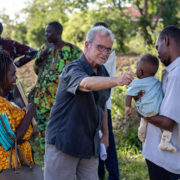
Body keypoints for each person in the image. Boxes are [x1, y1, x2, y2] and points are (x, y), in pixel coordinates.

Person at [44, 26, 135, 180]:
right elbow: (86, 84)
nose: (105, 53)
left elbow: (103, 104)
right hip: (64, 142)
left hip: (90, 146)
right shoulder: (72, 69)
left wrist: (106, 135)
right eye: (100, 47)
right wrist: (118, 80)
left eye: (108, 49)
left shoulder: (103, 72)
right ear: (87, 45)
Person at [32, 21, 82, 153]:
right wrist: (41, 57)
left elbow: (82, 71)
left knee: (60, 133)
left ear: (58, 33)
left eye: (49, 32)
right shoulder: (44, 47)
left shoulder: (72, 50)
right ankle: (46, 159)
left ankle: (60, 159)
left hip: (61, 101)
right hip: (42, 101)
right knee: (43, 133)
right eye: (45, 32)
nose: (46, 34)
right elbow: (36, 70)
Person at [138, 26, 180, 179]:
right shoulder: (172, 72)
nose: (157, 52)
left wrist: (141, 111)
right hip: (161, 156)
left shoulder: (176, 75)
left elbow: (168, 123)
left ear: (167, 40)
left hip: (164, 160)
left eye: (158, 47)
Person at [125, 54, 176, 153]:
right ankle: (164, 142)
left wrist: (127, 106)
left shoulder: (136, 83)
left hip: (143, 110)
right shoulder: (157, 82)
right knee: (169, 126)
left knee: (144, 113)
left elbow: (129, 93)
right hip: (157, 111)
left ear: (140, 72)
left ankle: (142, 127)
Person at [0, 51, 35, 171]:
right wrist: (29, 114)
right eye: (13, 74)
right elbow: (10, 140)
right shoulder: (1, 104)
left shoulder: (4, 102)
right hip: (9, 166)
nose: (16, 78)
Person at [93, 22, 119, 180]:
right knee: (97, 140)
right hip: (94, 104)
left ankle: (113, 175)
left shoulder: (108, 54)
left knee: (107, 142)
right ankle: (100, 173)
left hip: (103, 104)